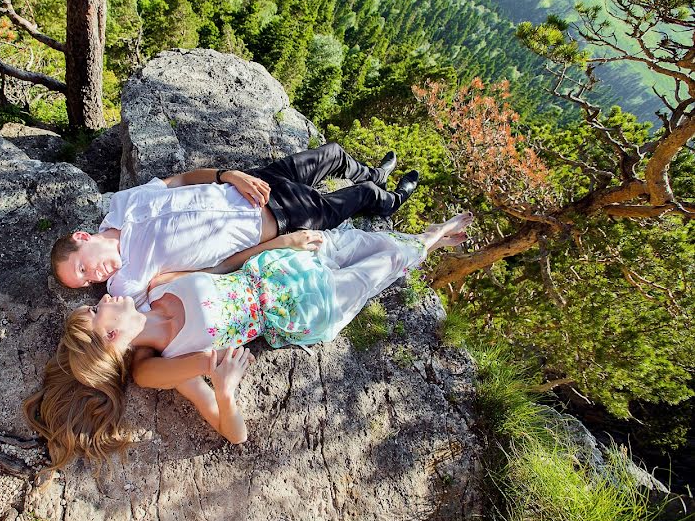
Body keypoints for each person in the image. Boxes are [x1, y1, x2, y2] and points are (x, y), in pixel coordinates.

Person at [24, 212, 473, 469]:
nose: (102, 298)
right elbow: (233, 434)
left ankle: (425, 240)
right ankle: (432, 239)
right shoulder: (152, 366)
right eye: (97, 309)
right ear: (112, 337)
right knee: (388, 261)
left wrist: (285, 240)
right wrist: (225, 388)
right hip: (307, 305)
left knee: (366, 241)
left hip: (282, 264)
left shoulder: (155, 286)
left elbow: (224, 268)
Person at [50, 143, 421, 309]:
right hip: (278, 217)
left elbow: (179, 181)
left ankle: (374, 171)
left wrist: (229, 174)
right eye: (83, 282)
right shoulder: (128, 284)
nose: (92, 278)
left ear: (82, 238)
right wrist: (282, 243)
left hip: (254, 182)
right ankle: (392, 199)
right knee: (362, 196)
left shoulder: (121, 203)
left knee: (333, 154)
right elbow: (217, 269)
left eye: (81, 267)